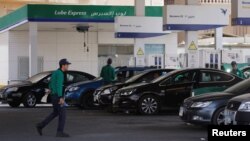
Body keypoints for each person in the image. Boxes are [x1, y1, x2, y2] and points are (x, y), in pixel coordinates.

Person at [36, 58, 71, 137]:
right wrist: (60, 97)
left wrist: (51, 90)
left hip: (53, 96)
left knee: (56, 113)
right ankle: (59, 132)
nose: (68, 66)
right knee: (63, 114)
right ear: (63, 65)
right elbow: (59, 86)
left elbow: (50, 84)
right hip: (57, 97)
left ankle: (40, 125)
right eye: (67, 65)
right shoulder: (60, 74)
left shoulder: (55, 72)